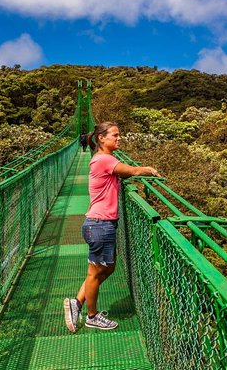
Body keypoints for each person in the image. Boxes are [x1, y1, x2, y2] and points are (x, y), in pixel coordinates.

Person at [64, 122, 160, 332]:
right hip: (99, 225)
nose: (119, 138)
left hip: (102, 224)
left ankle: (77, 303)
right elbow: (132, 171)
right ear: (101, 138)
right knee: (95, 273)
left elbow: (123, 172)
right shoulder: (103, 160)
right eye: (115, 135)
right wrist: (147, 170)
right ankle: (91, 315)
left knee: (107, 268)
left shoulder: (104, 160)